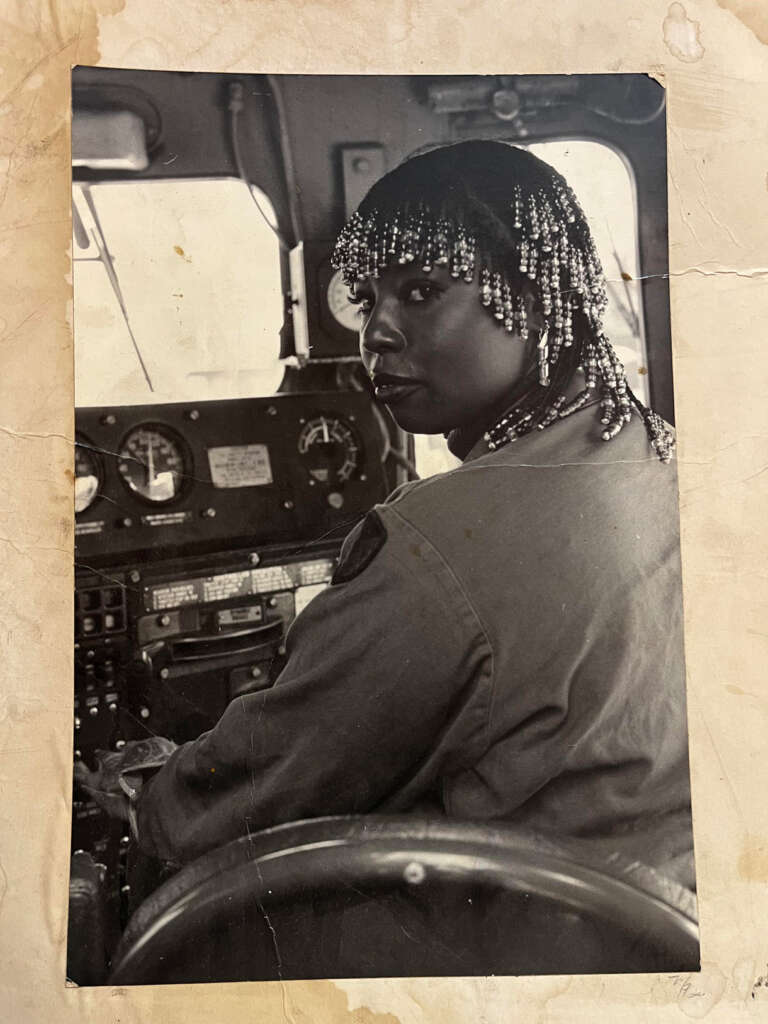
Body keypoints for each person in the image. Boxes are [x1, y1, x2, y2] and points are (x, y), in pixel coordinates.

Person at [83, 140, 694, 894]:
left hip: (511, 943)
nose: (375, 332)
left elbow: (253, 794)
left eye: (421, 292)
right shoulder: (657, 453)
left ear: (530, 300)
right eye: (369, 298)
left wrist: (142, 792)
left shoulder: (440, 547)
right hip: (665, 912)